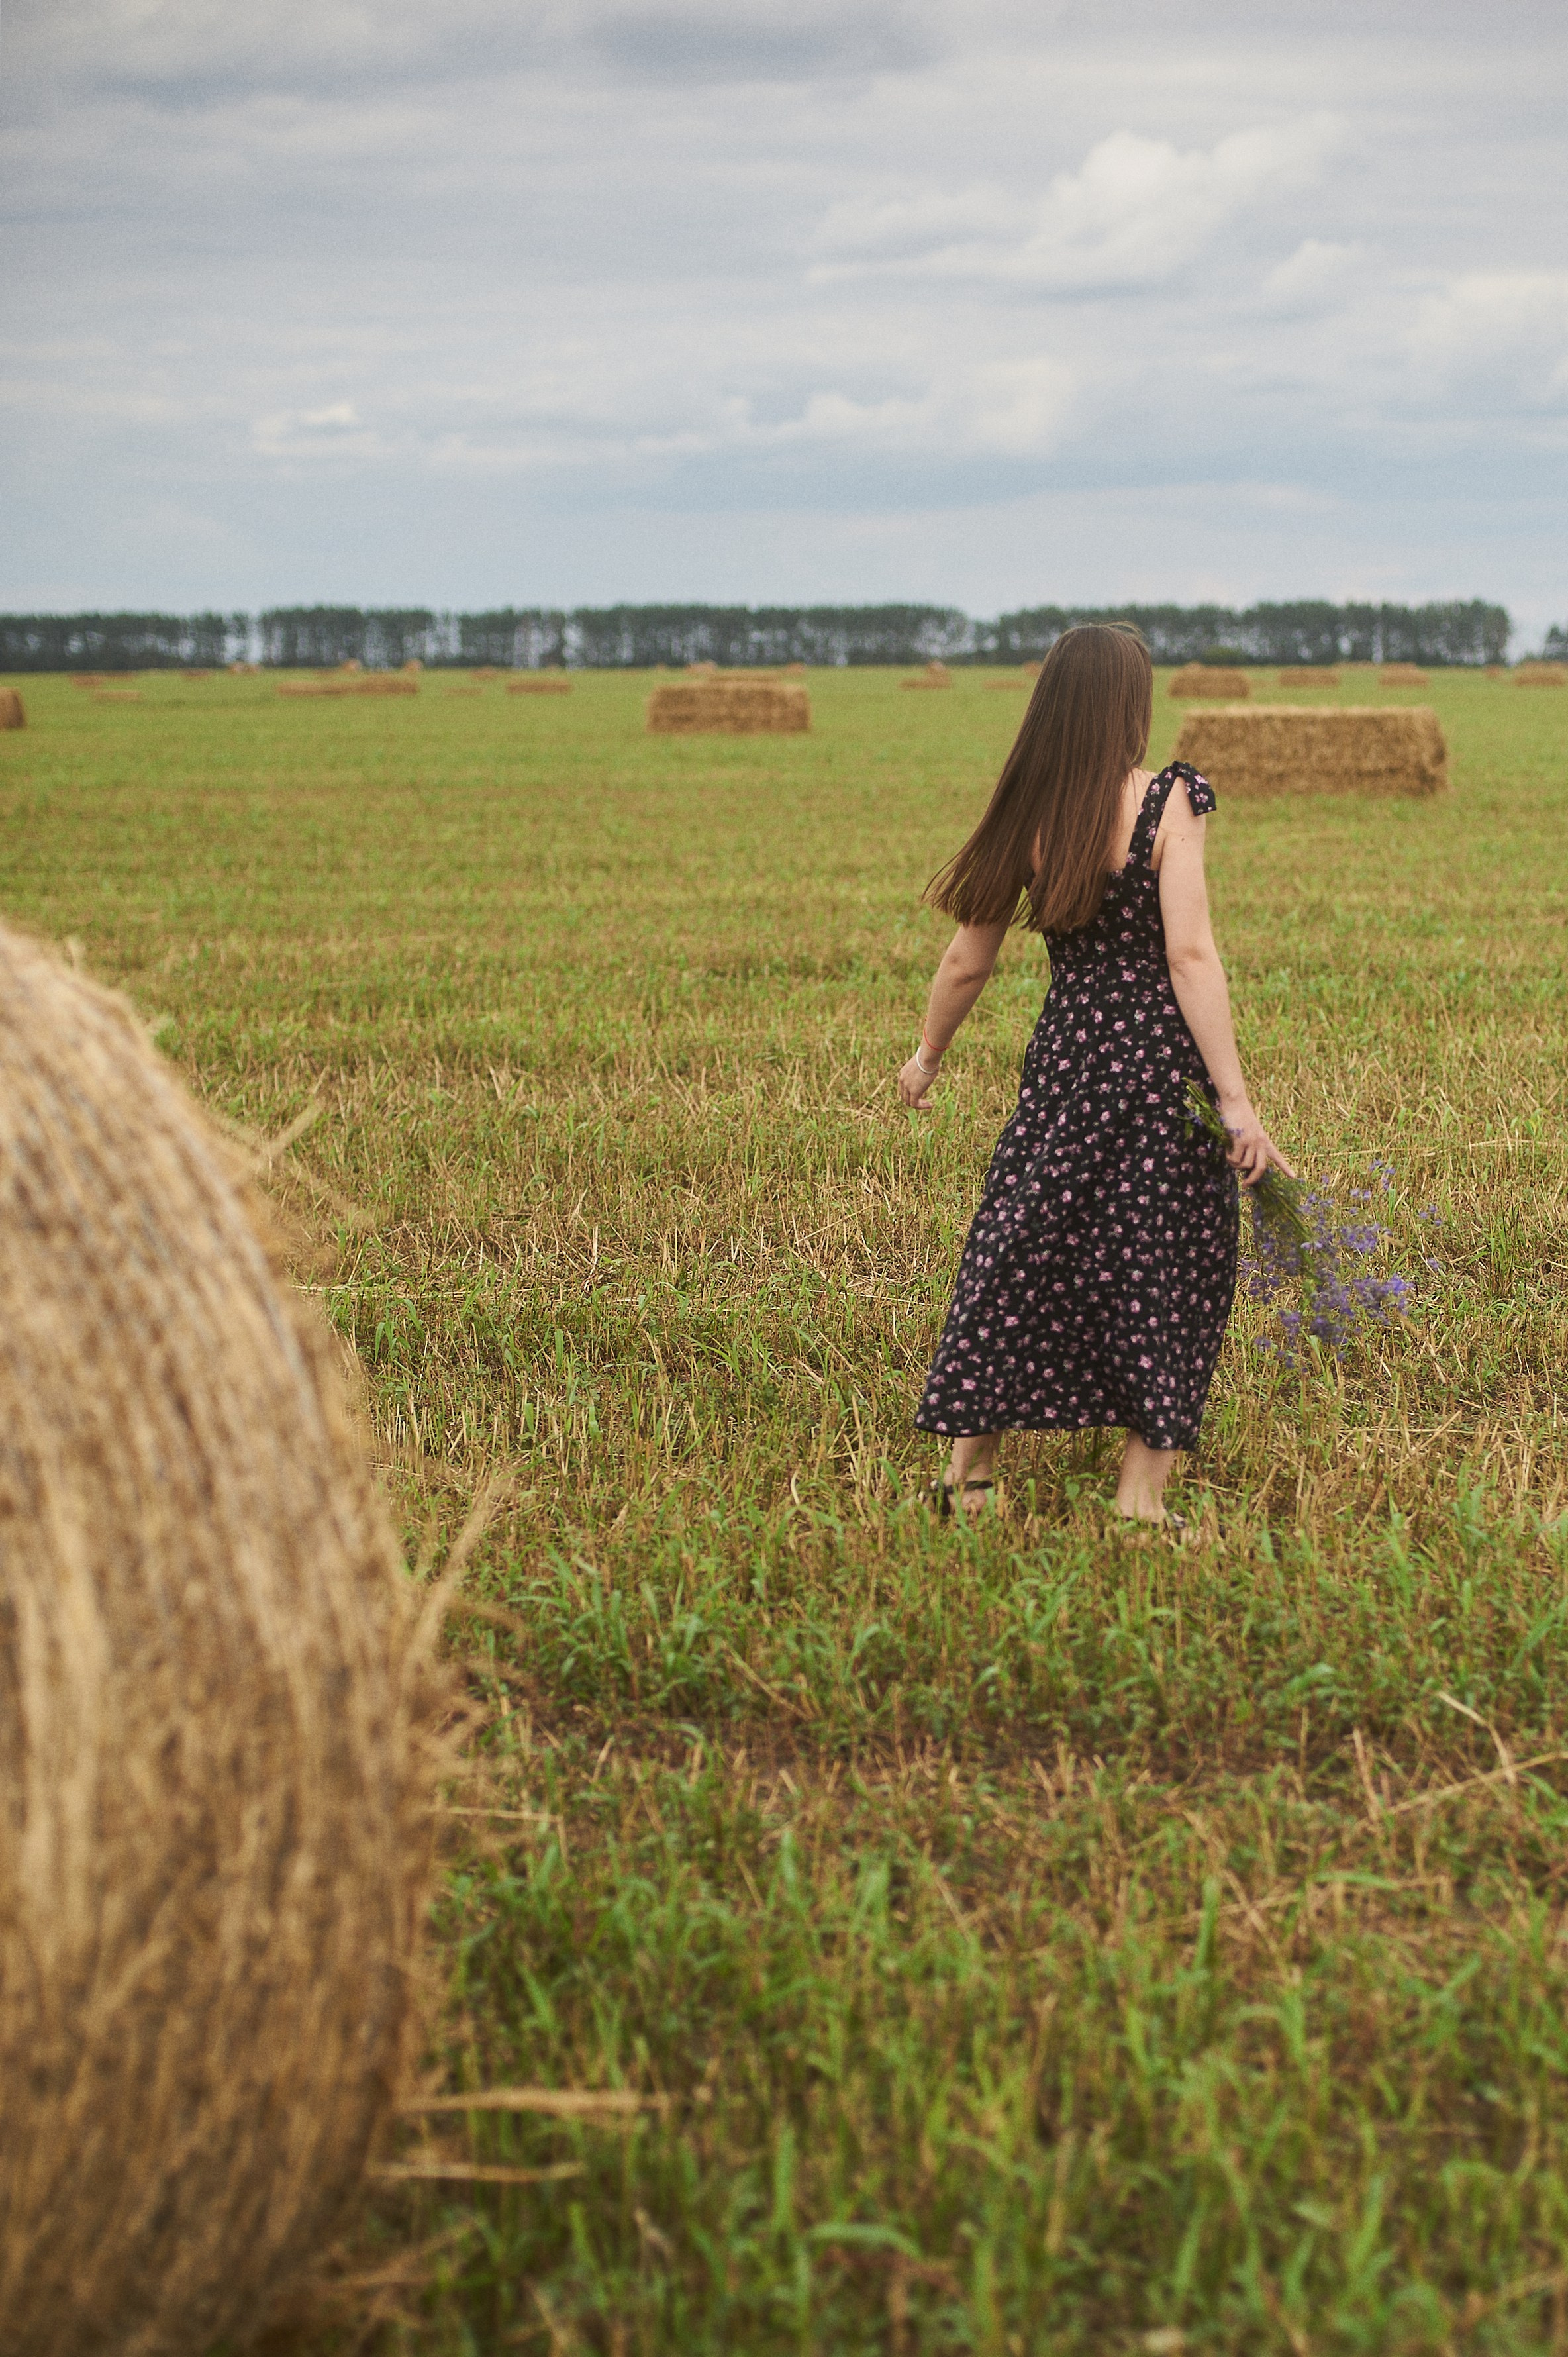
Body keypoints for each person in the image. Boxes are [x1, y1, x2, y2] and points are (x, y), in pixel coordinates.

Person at [901, 622, 1293, 1528]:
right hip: (1160, 1075)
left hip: (1068, 1067)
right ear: (1129, 705)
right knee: (1170, 1262)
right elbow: (1191, 957)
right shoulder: (1170, 802)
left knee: (1022, 1249)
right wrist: (1236, 1103)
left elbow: (967, 958)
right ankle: (1138, 1499)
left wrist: (927, 1057)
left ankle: (970, 1478)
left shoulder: (1030, 811)